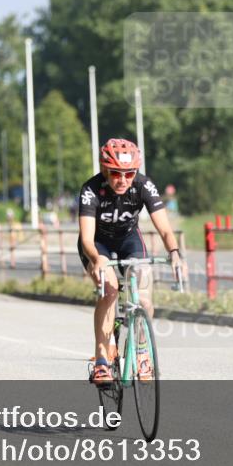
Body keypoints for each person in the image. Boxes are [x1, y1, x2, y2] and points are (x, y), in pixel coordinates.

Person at [78, 138, 187, 384]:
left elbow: (166, 230)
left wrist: (175, 254)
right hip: (98, 244)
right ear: (105, 169)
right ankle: (102, 360)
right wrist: (96, 260)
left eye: (129, 173)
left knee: (145, 295)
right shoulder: (91, 189)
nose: (123, 180)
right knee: (110, 291)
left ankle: (141, 353)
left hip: (128, 239)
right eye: (116, 173)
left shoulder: (143, 185)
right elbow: (86, 238)